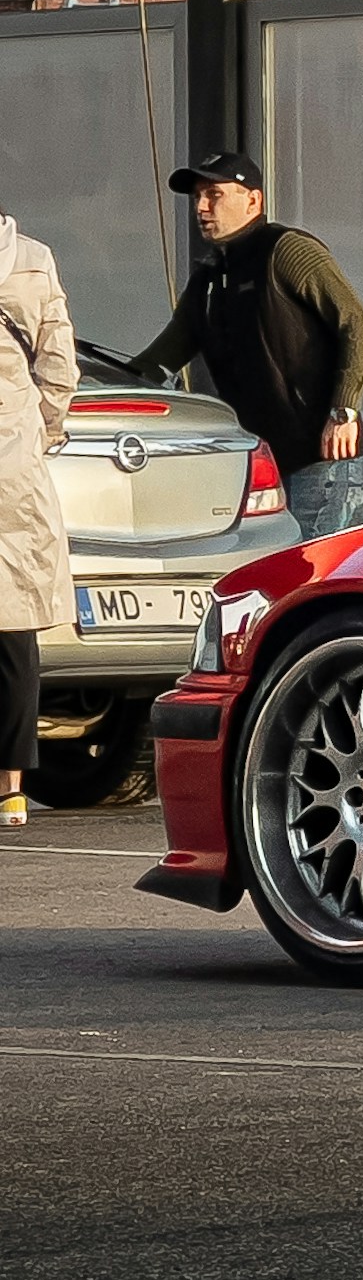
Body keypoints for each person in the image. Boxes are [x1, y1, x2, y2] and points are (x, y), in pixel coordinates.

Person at [133, 155, 363, 540]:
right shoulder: (209, 280)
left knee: (307, 576)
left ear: (254, 201)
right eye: (197, 197)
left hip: (322, 461)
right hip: (261, 465)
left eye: (214, 194)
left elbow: (358, 324)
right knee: (270, 576)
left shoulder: (285, 250)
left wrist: (343, 411)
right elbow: (158, 361)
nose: (201, 207)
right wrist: (87, 387)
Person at [0, 211, 79, 829]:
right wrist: (40, 432)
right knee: (13, 630)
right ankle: (12, 790)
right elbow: (59, 366)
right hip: (11, 463)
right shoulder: (30, 258)